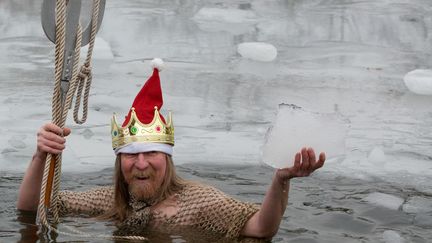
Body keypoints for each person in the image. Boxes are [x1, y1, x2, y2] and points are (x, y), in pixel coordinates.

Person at [17, 58, 325, 241]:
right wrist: (40, 156)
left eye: (151, 153)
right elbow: (33, 209)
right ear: (119, 162)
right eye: (131, 155)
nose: (140, 164)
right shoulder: (109, 200)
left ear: (167, 159)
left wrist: (280, 181)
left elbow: (260, 229)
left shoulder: (200, 202)